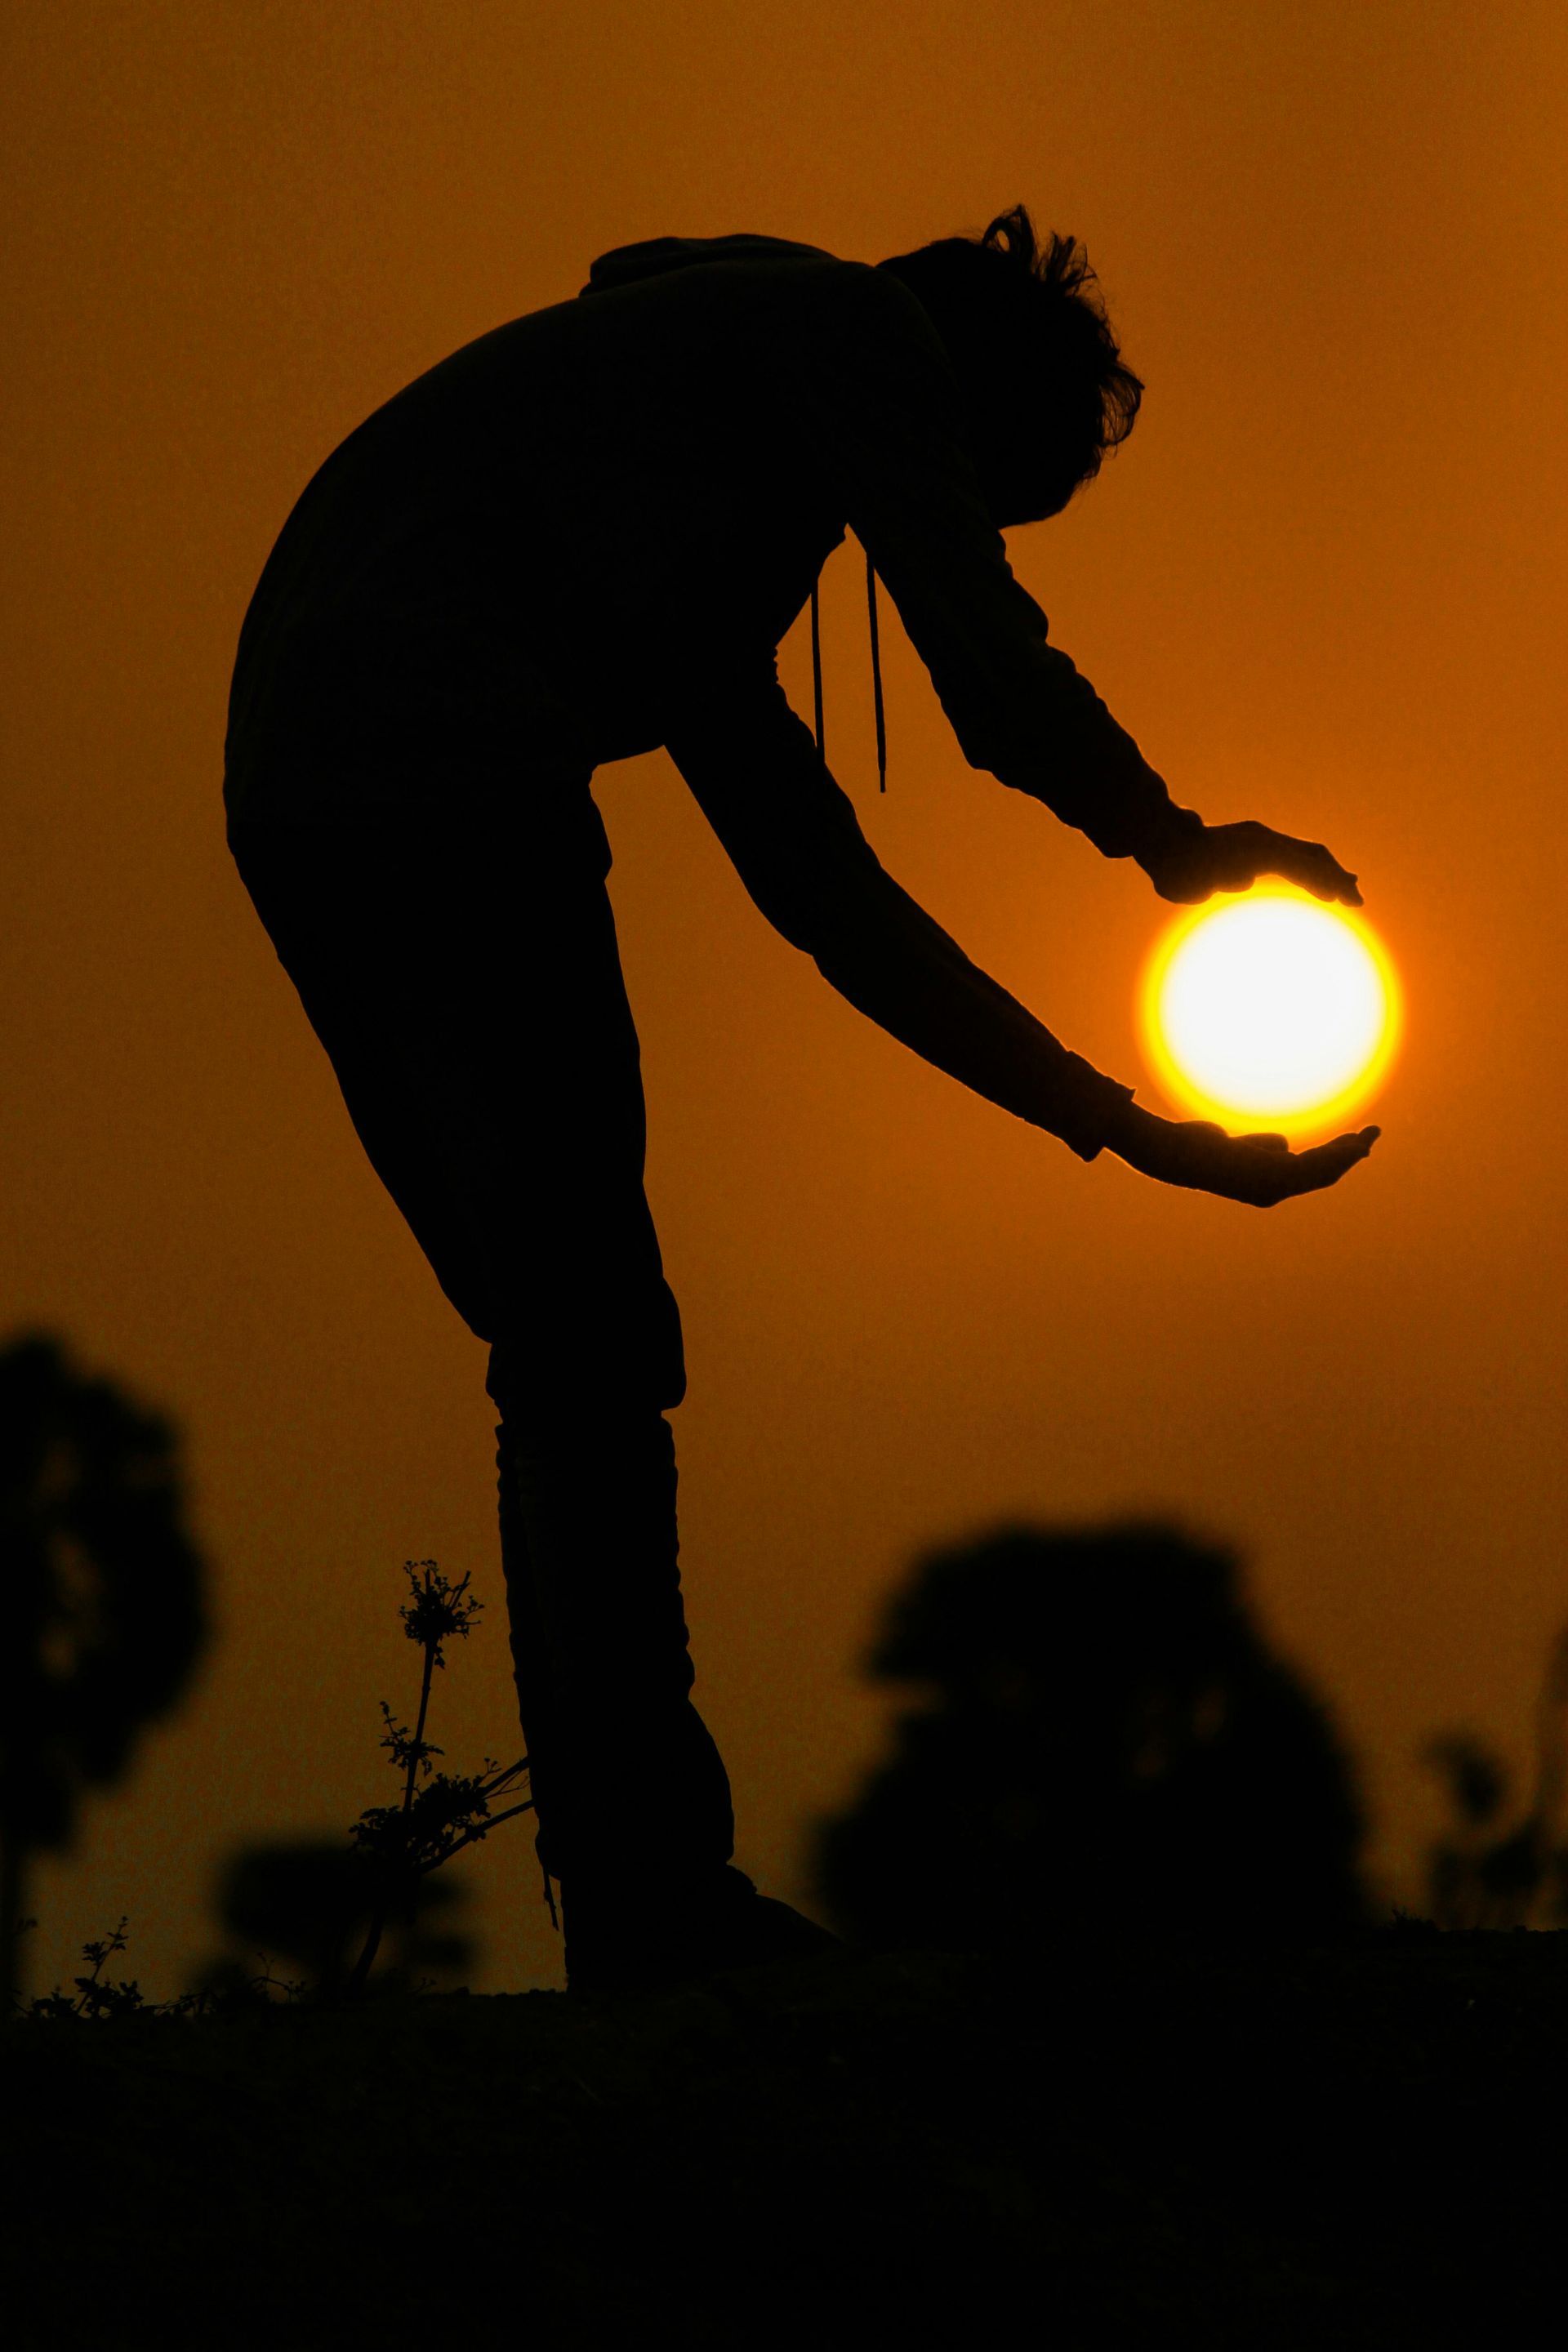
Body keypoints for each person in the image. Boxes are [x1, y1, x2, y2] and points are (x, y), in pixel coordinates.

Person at [224, 206, 1377, 1991]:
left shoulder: (661, 478)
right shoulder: (845, 337)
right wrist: (1166, 838)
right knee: (589, 1337)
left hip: (304, 780)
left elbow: (827, 899)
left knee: (579, 1341)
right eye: (967, 496)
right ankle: (651, 1901)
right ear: (962, 400)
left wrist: (1111, 1116)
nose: (899, 525)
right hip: (427, 754)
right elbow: (987, 679)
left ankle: (639, 1894)